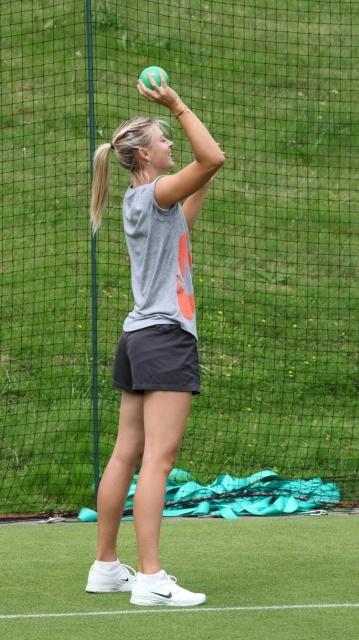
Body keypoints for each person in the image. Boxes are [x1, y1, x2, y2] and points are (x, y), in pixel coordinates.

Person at [85, 72, 225, 606]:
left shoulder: (144, 201)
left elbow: (198, 185)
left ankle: (105, 567)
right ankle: (149, 578)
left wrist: (198, 165)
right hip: (164, 338)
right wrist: (177, 103)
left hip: (138, 337)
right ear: (145, 156)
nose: (171, 144)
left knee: (126, 454)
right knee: (157, 462)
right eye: (164, 138)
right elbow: (213, 159)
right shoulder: (154, 195)